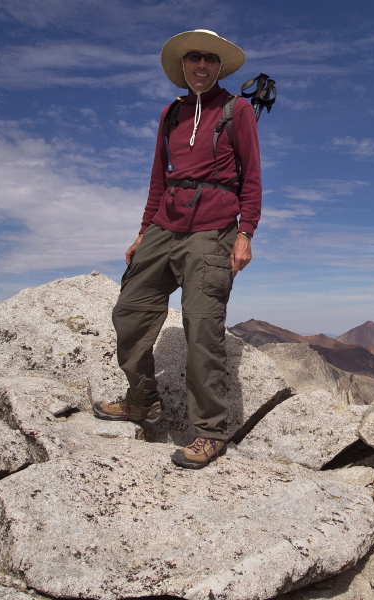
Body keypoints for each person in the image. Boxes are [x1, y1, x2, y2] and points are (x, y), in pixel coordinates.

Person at [93, 30, 262, 470]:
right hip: (164, 226)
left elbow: (252, 178)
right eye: (193, 59)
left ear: (218, 66)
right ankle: (141, 400)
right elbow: (158, 180)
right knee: (129, 311)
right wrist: (143, 231)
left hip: (213, 229)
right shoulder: (171, 114)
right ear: (183, 67)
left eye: (209, 59)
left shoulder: (237, 109)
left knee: (202, 330)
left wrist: (246, 233)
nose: (201, 66)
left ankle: (209, 431)